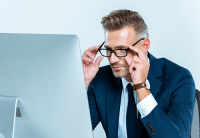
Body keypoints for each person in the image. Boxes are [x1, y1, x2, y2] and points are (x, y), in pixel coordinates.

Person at [82, 9, 195, 138]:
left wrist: (141, 87)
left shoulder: (178, 78)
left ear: (145, 45)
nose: (112, 60)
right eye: (108, 50)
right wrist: (82, 83)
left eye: (121, 50)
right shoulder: (99, 79)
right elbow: (71, 131)